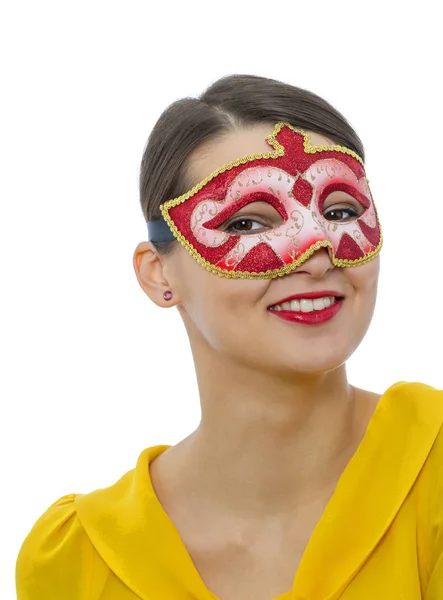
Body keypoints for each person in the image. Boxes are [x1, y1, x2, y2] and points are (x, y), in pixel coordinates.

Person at [16, 75, 443, 600]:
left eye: (340, 211)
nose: (316, 250)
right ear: (158, 274)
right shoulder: (75, 563)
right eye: (246, 223)